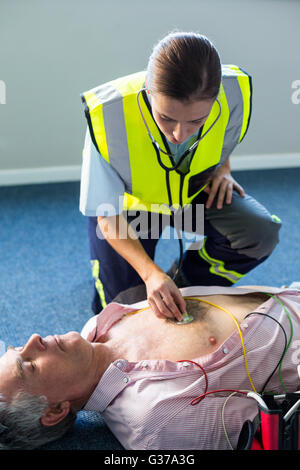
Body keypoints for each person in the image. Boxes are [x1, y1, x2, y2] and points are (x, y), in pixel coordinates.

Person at [79, 31, 282, 320]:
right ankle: (134, 280)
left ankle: (184, 282)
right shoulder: (107, 116)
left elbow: (225, 138)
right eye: (166, 118)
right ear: (149, 92)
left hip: (190, 195)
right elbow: (106, 214)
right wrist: (150, 275)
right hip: (128, 211)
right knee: (130, 314)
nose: (179, 134)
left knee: (258, 233)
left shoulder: (234, 93)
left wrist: (223, 170)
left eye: (196, 121)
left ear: (215, 99)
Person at [0, 284, 299, 450]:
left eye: (17, 348)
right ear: (55, 411)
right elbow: (279, 429)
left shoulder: (98, 325)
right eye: (28, 366)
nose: (32, 339)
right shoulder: (155, 422)